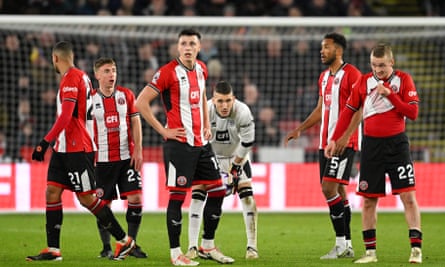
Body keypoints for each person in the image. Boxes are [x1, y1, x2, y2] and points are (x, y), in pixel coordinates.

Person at [26, 41, 135, 261]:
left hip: (77, 148)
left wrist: (44, 142)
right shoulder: (80, 76)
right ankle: (53, 249)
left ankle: (125, 241)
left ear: (56, 58)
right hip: (63, 149)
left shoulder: (72, 78)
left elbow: (66, 116)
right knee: (52, 192)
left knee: (87, 199)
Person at [135, 29, 233, 266]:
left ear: (199, 47)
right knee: (177, 198)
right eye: (183, 44)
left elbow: (201, 97)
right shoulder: (167, 72)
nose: (188, 47)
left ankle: (207, 245)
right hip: (178, 145)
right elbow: (140, 102)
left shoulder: (201, 69)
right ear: (178, 48)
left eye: (192, 43)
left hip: (201, 143)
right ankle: (175, 252)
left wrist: (207, 124)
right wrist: (164, 130)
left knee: (218, 191)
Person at [325, 43, 422, 264]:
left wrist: (391, 96)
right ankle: (370, 253)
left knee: (408, 196)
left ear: (392, 63)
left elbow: (413, 113)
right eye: (374, 65)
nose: (378, 70)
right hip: (371, 147)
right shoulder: (364, 82)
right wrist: (334, 139)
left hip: (397, 145)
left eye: (382, 65)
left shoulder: (403, 80)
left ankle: (416, 249)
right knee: (368, 200)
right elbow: (347, 113)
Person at [284, 32, 362, 260]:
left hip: (342, 143)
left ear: (338, 50)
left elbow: (359, 109)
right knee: (337, 190)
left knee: (328, 189)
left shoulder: (352, 74)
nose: (321, 51)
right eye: (321, 47)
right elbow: (321, 109)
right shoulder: (324, 77)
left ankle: (340, 245)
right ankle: (347, 244)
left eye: (326, 47)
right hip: (324, 143)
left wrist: (346, 137)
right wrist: (300, 128)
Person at [186, 80, 258, 260]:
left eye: (228, 101)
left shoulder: (242, 111)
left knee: (247, 196)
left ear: (233, 99)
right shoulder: (205, 110)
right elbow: (195, 139)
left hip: (237, 157)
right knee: (197, 195)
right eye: (220, 101)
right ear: (213, 99)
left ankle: (252, 247)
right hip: (211, 157)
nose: (224, 106)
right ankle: (192, 246)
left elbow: (248, 142)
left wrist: (234, 168)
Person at [91, 57, 147, 259]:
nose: (111, 75)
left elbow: (135, 122)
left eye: (113, 70)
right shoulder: (89, 99)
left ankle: (130, 243)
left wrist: (138, 149)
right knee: (103, 205)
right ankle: (106, 247)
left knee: (136, 197)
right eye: (106, 71)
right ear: (97, 75)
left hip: (126, 158)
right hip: (101, 161)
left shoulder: (126, 95)